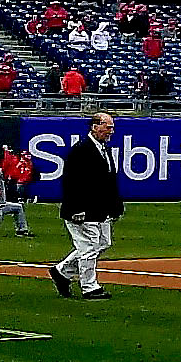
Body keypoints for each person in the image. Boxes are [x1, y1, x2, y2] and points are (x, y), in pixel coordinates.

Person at [50, 111, 121, 297]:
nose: (111, 131)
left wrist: (115, 206)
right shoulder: (81, 149)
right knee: (89, 246)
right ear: (95, 126)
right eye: (108, 127)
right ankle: (90, 287)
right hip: (82, 209)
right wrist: (76, 208)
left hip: (100, 209)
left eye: (112, 127)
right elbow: (71, 181)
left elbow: (109, 180)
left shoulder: (103, 149)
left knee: (103, 243)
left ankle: (62, 272)